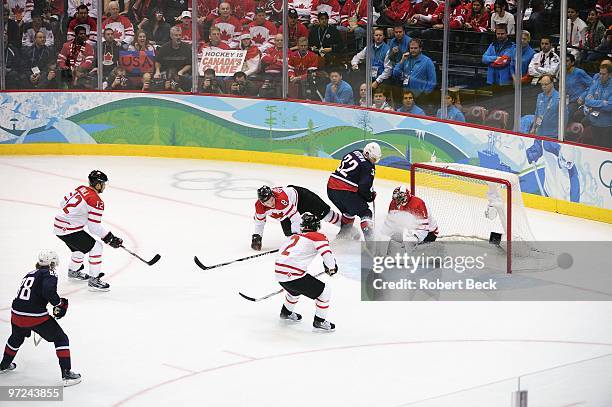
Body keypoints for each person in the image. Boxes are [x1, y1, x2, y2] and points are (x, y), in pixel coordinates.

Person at [0, 250, 81, 386]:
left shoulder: (30, 273)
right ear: (52, 263)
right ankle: (66, 374)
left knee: (16, 337)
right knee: (61, 338)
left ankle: (4, 365)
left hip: (16, 313)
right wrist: (59, 304)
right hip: (34, 316)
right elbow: (48, 291)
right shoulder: (50, 273)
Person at [53, 170, 123, 291]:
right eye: (103, 184)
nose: (104, 186)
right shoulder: (96, 201)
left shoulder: (81, 189)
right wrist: (109, 238)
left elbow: (62, 203)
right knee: (96, 247)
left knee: (79, 249)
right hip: (68, 229)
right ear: (98, 184)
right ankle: (94, 281)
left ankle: (73, 271)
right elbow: (93, 227)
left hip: (58, 225)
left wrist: (75, 217)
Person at [274, 212, 337, 332]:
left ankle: (286, 313)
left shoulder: (293, 237)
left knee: (294, 291)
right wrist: (331, 267)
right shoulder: (318, 236)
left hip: (279, 273)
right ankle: (320, 321)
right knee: (324, 291)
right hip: (293, 275)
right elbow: (327, 255)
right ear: (317, 225)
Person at [251, 185, 341, 250]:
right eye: (267, 203)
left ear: (273, 196)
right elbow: (259, 223)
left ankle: (347, 226)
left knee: (326, 215)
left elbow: (295, 218)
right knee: (289, 235)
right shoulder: (259, 207)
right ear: (261, 202)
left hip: (303, 198)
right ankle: (309, 231)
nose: (271, 204)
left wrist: (296, 238)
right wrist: (257, 237)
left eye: (271, 200)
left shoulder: (281, 200)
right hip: (285, 212)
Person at [327, 142, 381, 240]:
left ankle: (342, 237)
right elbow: (363, 187)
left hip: (331, 189)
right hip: (345, 191)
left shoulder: (355, 152)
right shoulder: (368, 166)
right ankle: (370, 242)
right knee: (365, 212)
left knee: (349, 211)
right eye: (373, 158)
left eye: (376, 159)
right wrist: (369, 197)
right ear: (367, 154)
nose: (374, 161)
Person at [584, 64, 612, 148]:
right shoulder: (596, 83)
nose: (601, 76)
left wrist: (594, 103)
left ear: (610, 74)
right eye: (600, 73)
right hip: (594, 122)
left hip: (607, 125)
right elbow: (587, 100)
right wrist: (603, 102)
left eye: (604, 74)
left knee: (605, 148)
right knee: (596, 147)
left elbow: (609, 107)